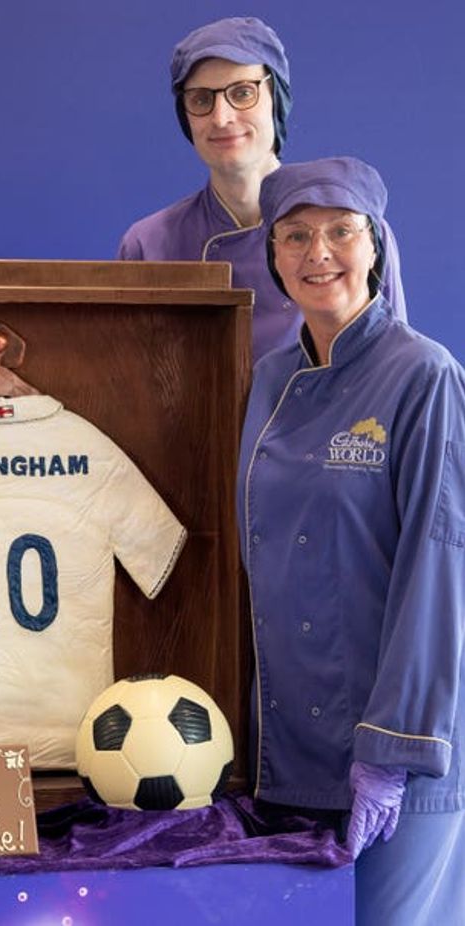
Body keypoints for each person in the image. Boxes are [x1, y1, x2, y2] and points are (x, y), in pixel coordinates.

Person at [238, 156, 465, 925]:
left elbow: (440, 572)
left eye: (341, 231)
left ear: (376, 247)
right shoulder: (268, 380)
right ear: (272, 255)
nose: (317, 254)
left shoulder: (425, 376)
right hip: (289, 753)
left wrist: (391, 753)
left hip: (402, 749)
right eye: (294, 236)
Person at [116, 16, 406, 362]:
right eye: (201, 99)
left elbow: (394, 371)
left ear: (276, 98)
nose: (221, 117)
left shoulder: (354, 233)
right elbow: (128, 378)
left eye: (242, 93)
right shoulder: (148, 244)